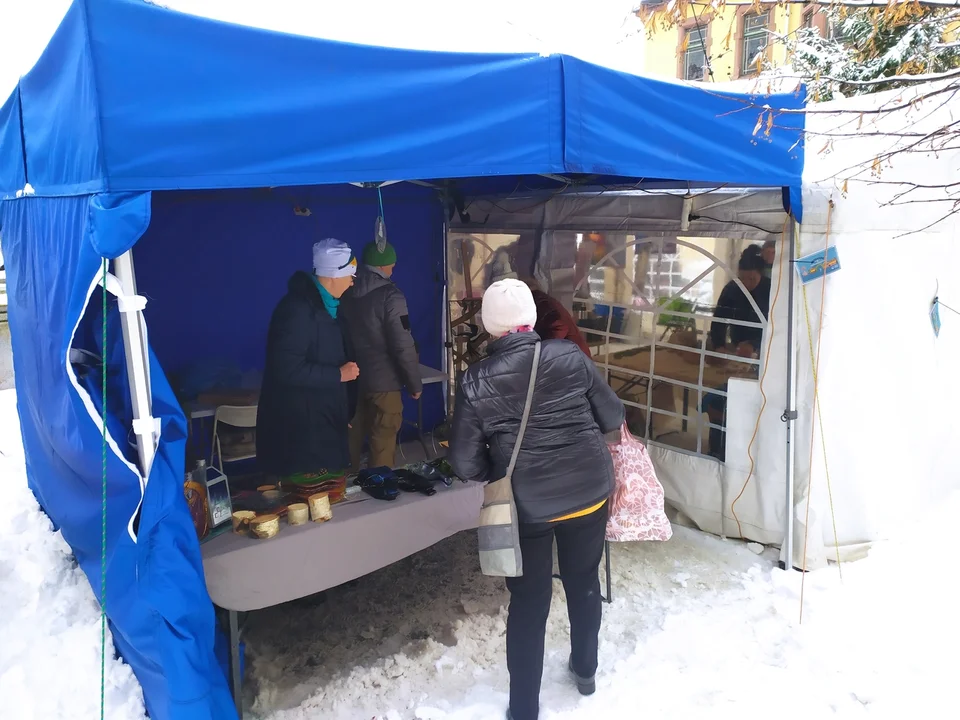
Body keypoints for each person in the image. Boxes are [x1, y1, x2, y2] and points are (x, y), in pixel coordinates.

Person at [449, 279, 624, 720]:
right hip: (588, 490)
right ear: (530, 317)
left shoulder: (475, 381)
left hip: (524, 506)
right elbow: (613, 416)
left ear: (489, 325)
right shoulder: (568, 356)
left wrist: (502, 468)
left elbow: (465, 464)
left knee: (529, 603)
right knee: (584, 582)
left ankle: (523, 708)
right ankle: (585, 671)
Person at [256, 238, 359, 481]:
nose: (353, 280)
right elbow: (286, 369)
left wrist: (340, 414)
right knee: (310, 503)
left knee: (331, 498)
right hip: (302, 435)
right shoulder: (297, 311)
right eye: (351, 273)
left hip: (324, 422)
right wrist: (339, 375)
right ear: (333, 276)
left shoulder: (331, 307)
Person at [340, 241, 422, 472]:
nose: (393, 270)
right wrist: (414, 383)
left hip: (352, 381)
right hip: (385, 383)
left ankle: (346, 493)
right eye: (392, 266)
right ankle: (379, 493)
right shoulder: (391, 296)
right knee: (383, 442)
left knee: (350, 441)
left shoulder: (346, 293)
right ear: (385, 266)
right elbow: (403, 343)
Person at [709, 248, 771, 352]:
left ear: (761, 274)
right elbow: (718, 320)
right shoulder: (731, 289)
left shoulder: (771, 290)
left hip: (765, 349)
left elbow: (777, 324)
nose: (746, 283)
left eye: (752, 279)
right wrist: (719, 345)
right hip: (736, 346)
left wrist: (754, 344)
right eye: (742, 278)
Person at [520, 276, 592, 356]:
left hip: (572, 359)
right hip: (576, 357)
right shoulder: (542, 301)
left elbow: (559, 326)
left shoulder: (540, 301)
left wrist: (540, 353)